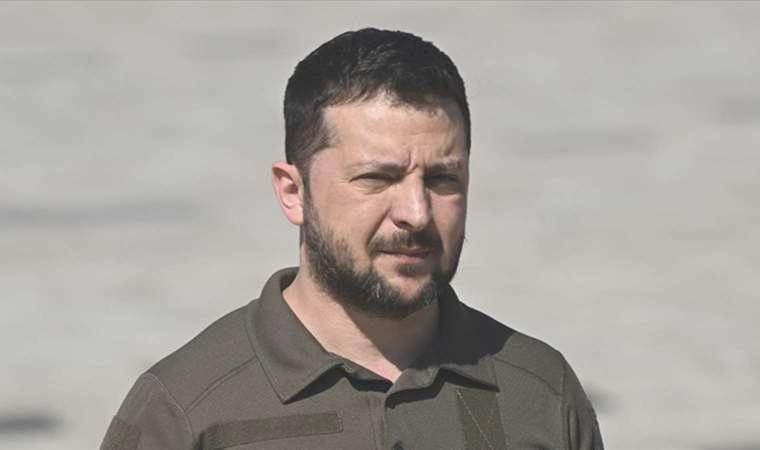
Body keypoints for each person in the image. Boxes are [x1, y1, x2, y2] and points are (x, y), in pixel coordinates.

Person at [100, 28, 603, 450]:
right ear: (293, 192)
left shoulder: (539, 391)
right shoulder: (186, 411)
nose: (416, 213)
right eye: (377, 179)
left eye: (442, 179)